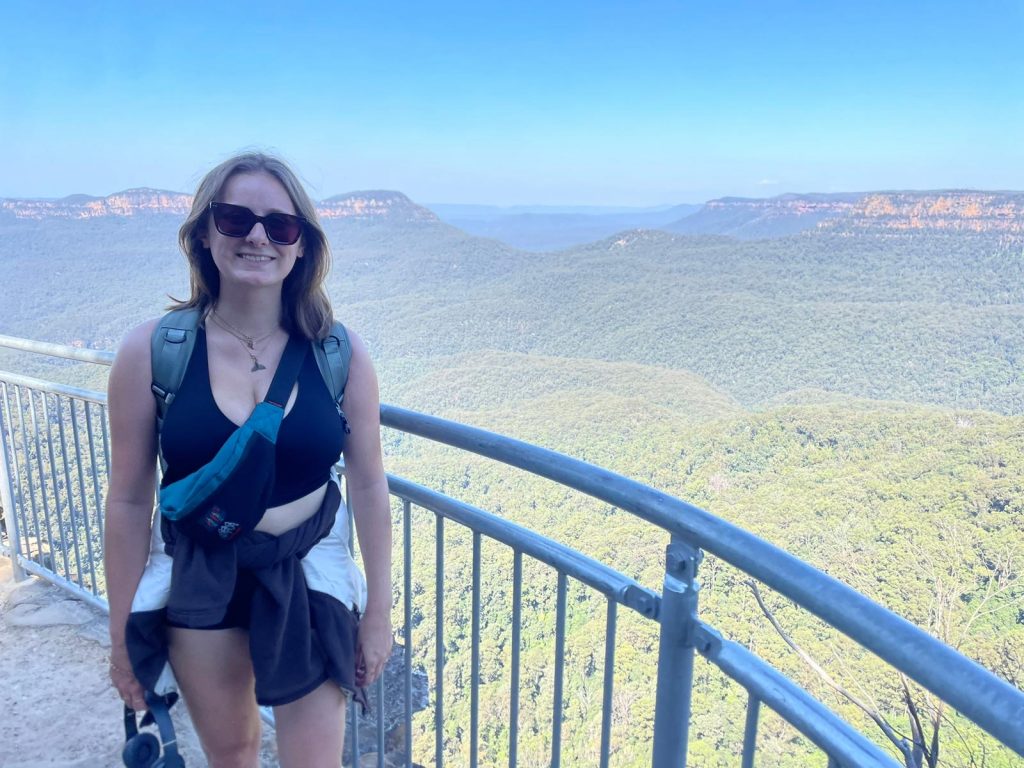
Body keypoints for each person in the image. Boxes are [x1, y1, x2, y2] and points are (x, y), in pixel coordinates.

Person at [104, 152, 393, 768]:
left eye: (280, 225)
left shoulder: (339, 353)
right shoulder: (153, 352)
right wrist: (122, 632)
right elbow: (128, 500)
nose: (258, 236)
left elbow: (370, 484)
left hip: (308, 568)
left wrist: (379, 613)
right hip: (201, 569)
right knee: (232, 756)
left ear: (301, 246)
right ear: (205, 234)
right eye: (236, 219)